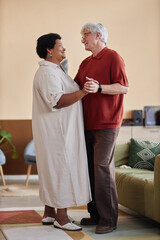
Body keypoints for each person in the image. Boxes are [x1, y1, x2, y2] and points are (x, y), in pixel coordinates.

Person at [32, 33, 91, 231]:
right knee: (61, 170)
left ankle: (49, 213)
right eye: (60, 45)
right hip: (57, 133)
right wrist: (83, 92)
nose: (64, 48)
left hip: (57, 131)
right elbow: (56, 101)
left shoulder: (56, 70)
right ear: (49, 49)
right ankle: (62, 217)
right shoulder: (48, 73)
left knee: (53, 170)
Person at [74, 22, 129, 234]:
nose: (82, 39)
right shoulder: (85, 62)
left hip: (107, 124)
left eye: (85, 35)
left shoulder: (113, 57)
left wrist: (99, 87)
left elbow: (123, 87)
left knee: (101, 169)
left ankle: (109, 218)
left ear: (98, 35)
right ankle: (95, 214)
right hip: (87, 124)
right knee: (89, 170)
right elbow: (76, 86)